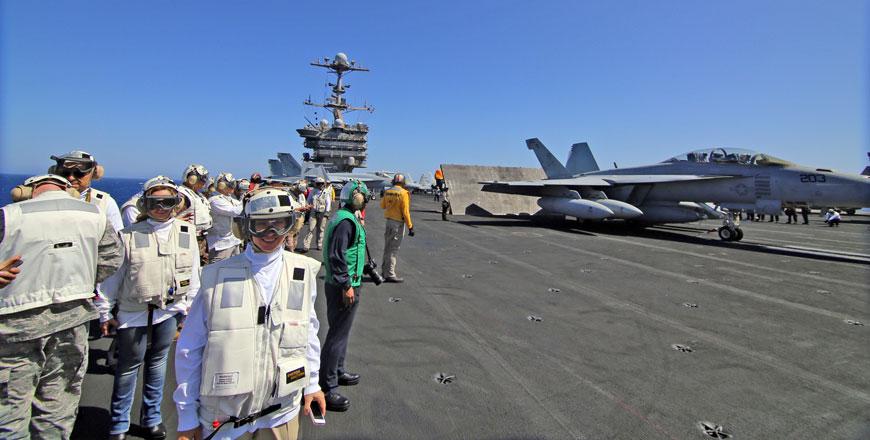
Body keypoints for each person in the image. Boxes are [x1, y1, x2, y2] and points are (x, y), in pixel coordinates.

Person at [174, 188, 326, 440]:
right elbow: (190, 348)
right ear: (244, 229)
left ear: (292, 225)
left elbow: (308, 332)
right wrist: (187, 415)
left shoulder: (302, 272)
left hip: (282, 413)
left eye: (280, 224)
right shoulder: (216, 278)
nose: (271, 234)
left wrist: (311, 384)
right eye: (261, 226)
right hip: (224, 421)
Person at [0, 174, 122, 439]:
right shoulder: (94, 215)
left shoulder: (8, 215)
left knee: (10, 412)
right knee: (58, 407)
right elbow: (113, 259)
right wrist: (78, 281)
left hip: (15, 327)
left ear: (30, 190)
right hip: (72, 321)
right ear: (67, 190)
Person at [97, 176, 201, 440]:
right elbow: (113, 277)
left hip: (169, 311)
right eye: (155, 202)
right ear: (145, 204)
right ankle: (119, 423)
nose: (161, 207)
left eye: (168, 202)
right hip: (134, 312)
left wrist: (188, 308)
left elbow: (194, 275)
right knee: (128, 368)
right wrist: (105, 312)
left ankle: (151, 418)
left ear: (176, 203)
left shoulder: (186, 233)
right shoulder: (129, 236)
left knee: (158, 364)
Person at [320, 180, 370, 412]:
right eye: (363, 197)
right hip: (344, 285)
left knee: (342, 332)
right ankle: (327, 386)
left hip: (347, 282)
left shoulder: (345, 217)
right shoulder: (346, 222)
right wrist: (346, 284)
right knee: (337, 335)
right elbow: (337, 255)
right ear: (356, 198)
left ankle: (338, 371)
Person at [50, 150, 124, 232]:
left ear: (93, 173)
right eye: (65, 173)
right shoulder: (48, 198)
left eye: (79, 173)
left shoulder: (105, 203)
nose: (71, 178)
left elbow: (117, 238)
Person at [380, 174, 414, 283]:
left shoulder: (388, 191)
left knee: (387, 248)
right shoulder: (404, 193)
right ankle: (390, 274)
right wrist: (410, 226)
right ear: (403, 182)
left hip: (389, 222)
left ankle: (384, 272)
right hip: (397, 224)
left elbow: (383, 206)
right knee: (393, 249)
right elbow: (405, 212)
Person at [177, 164, 213, 265]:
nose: (204, 182)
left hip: (201, 237)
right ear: (192, 178)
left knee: (201, 267)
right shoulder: (183, 194)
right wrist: (175, 220)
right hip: (187, 237)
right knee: (187, 265)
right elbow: (169, 214)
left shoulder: (197, 194)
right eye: (202, 179)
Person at [207, 172, 243, 263]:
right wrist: (245, 201)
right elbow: (235, 211)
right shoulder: (215, 200)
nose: (232, 187)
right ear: (221, 185)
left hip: (233, 241)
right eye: (230, 185)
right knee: (218, 272)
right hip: (220, 244)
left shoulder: (229, 199)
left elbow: (240, 206)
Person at [300, 177, 331, 252]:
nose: (320, 185)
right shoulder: (312, 192)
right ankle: (306, 246)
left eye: (321, 183)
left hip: (322, 213)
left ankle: (319, 244)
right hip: (313, 212)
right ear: (315, 184)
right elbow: (308, 201)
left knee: (321, 229)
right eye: (318, 183)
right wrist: (307, 207)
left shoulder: (326, 192)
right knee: (310, 229)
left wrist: (326, 212)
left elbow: (328, 203)